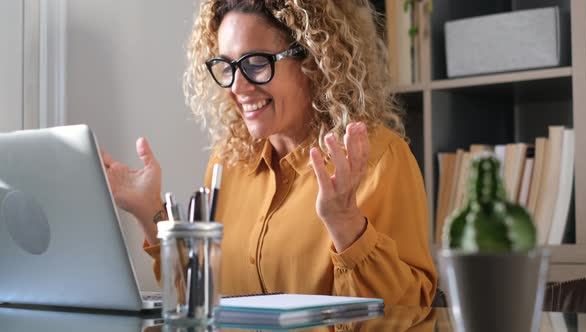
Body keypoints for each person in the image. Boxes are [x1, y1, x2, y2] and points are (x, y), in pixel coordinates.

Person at [101, 0, 437, 306]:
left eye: (256, 63)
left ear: (314, 59)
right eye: (227, 66)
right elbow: (200, 299)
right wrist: (151, 213)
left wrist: (347, 225)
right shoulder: (228, 161)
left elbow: (409, 313)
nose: (237, 86)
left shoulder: (379, 159)